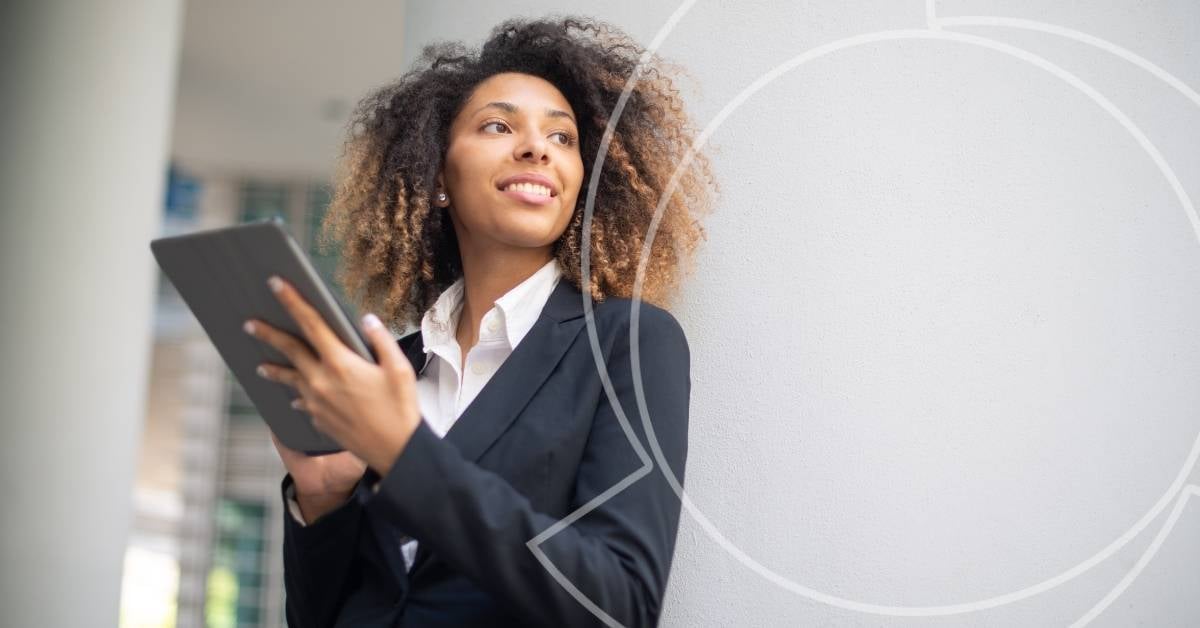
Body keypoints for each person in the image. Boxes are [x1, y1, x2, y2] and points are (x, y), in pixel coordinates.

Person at [242, 15, 716, 627]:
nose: (536, 148)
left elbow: (620, 603)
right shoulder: (393, 368)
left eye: (563, 138)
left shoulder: (626, 343)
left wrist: (404, 455)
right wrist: (323, 497)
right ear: (436, 175)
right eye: (498, 125)